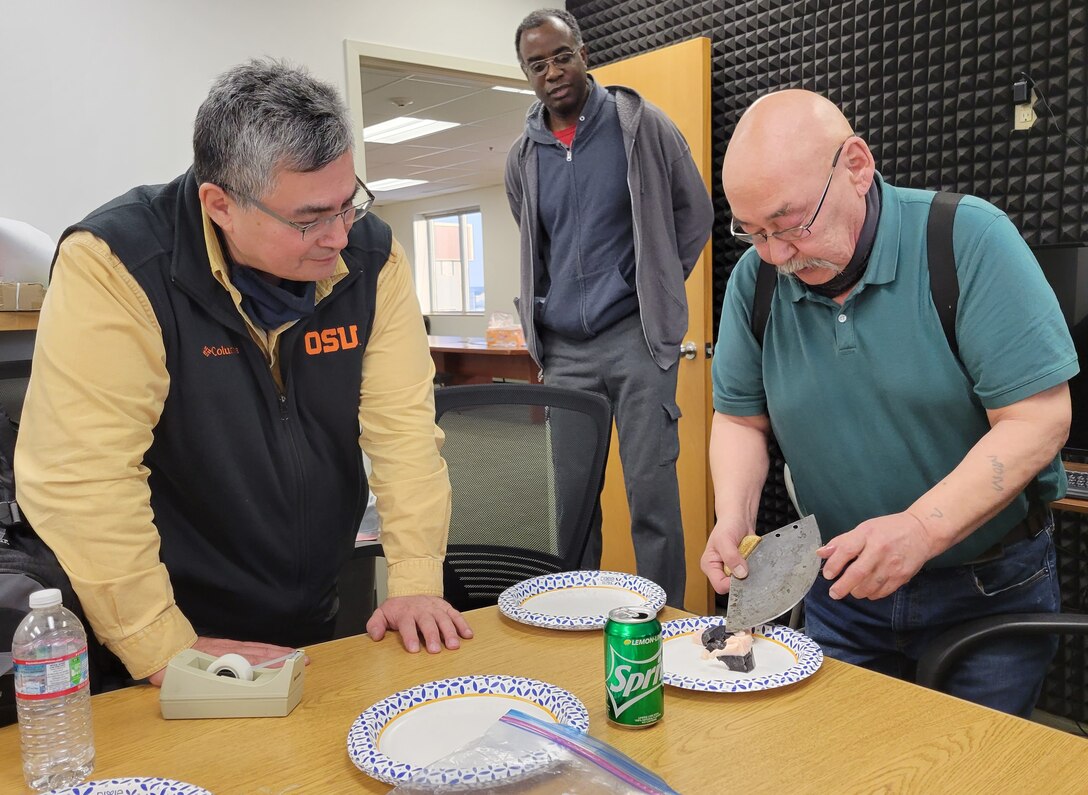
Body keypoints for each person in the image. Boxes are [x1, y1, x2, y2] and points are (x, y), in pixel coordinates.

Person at [14, 58, 472, 687]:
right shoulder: (119, 264)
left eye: (350, 204)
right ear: (219, 204)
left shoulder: (372, 259)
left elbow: (405, 432)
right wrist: (162, 646)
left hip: (310, 601)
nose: (338, 236)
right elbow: (83, 475)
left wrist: (417, 582)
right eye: (310, 218)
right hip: (167, 620)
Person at [702, 88, 1078, 716]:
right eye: (754, 231)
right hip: (842, 586)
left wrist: (921, 530)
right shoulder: (759, 278)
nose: (777, 254)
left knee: (968, 774)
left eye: (792, 225)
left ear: (856, 165)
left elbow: (1038, 419)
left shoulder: (969, 241)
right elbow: (741, 417)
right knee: (835, 761)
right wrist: (733, 518)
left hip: (985, 587)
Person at [505, 9, 713, 607]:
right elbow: (534, 239)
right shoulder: (523, 156)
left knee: (652, 496)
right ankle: (579, 619)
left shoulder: (641, 125)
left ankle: (665, 621)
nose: (552, 72)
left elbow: (693, 214)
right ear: (527, 74)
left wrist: (654, 283)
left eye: (561, 56)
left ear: (583, 52)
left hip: (636, 340)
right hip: (564, 352)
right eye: (537, 64)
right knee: (573, 505)